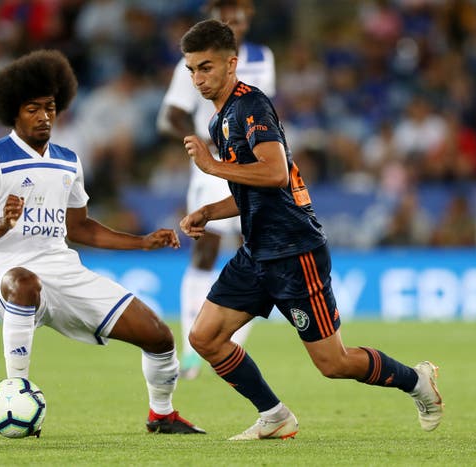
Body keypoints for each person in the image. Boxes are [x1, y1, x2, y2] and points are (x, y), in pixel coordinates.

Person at [178, 19, 444, 440]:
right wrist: (209, 210)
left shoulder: (252, 106)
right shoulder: (219, 120)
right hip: (257, 251)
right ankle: (275, 415)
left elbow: (275, 173)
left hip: (293, 253)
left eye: (206, 67)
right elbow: (252, 191)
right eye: (191, 69)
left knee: (333, 364)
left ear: (231, 64)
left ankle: (417, 382)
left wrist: (211, 166)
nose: (198, 78)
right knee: (205, 337)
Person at [0, 49, 204, 436]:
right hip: (5, 274)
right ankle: (18, 389)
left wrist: (141, 243)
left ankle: (162, 415)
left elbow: (81, 229)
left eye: (50, 108)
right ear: (13, 112)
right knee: (24, 281)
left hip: (62, 269)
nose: (44, 117)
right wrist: (1, 225)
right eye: (32, 109)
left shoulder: (68, 160)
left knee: (158, 335)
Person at [157, 0, 275, 380]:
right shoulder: (192, 64)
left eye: (239, 18)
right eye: (227, 19)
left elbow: (263, 108)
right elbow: (170, 115)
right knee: (205, 249)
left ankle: (234, 338)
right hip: (211, 166)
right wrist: (198, 142)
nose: (235, 24)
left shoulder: (262, 57)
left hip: (250, 162)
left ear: (248, 18)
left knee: (254, 246)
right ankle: (192, 350)